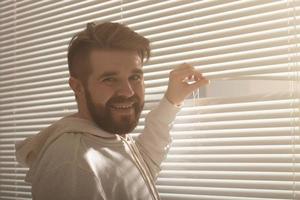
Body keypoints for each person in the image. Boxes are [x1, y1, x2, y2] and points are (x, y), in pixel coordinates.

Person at [15, 22, 208, 200]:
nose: (128, 91)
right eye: (109, 79)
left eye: (135, 77)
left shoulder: (105, 135)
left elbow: (141, 167)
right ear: (78, 87)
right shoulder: (73, 165)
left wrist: (171, 101)